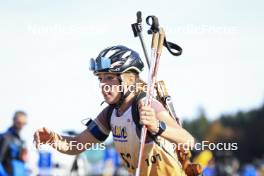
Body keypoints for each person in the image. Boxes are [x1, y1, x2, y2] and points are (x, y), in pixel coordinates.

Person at [33, 45, 194, 175]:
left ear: (130, 79)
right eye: (100, 79)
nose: (103, 85)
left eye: (109, 78)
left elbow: (188, 141)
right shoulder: (110, 113)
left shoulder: (146, 105)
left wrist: (156, 126)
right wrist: (53, 139)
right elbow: (77, 144)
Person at [0, 111, 28, 176]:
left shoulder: (21, 141)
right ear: (13, 120)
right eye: (19, 123)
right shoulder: (5, 138)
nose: (21, 126)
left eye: (24, 124)